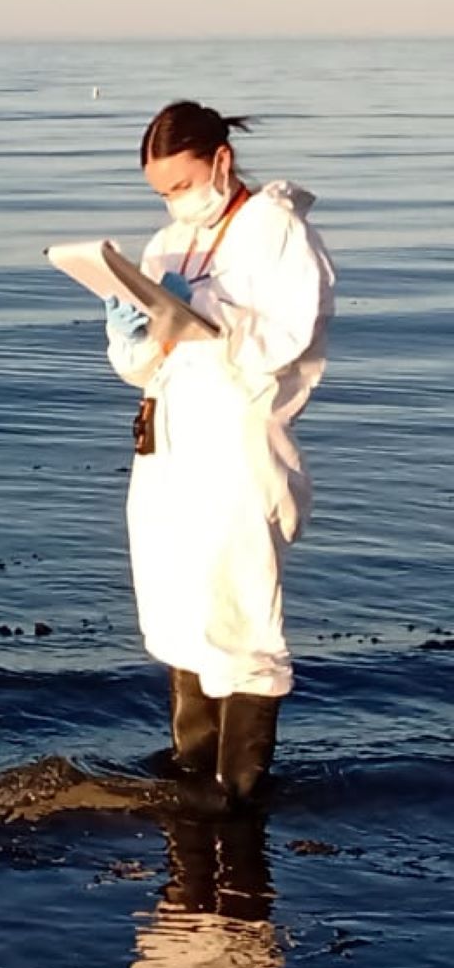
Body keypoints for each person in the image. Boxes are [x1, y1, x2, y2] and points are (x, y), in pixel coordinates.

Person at [101, 101, 334, 809]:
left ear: (220, 161)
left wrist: (204, 313)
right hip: (169, 444)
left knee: (238, 611)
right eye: (161, 192)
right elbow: (146, 366)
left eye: (180, 184)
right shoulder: (169, 242)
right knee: (179, 608)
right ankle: (190, 777)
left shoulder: (276, 230)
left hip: (236, 446)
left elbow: (288, 338)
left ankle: (238, 800)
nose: (174, 201)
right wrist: (135, 334)